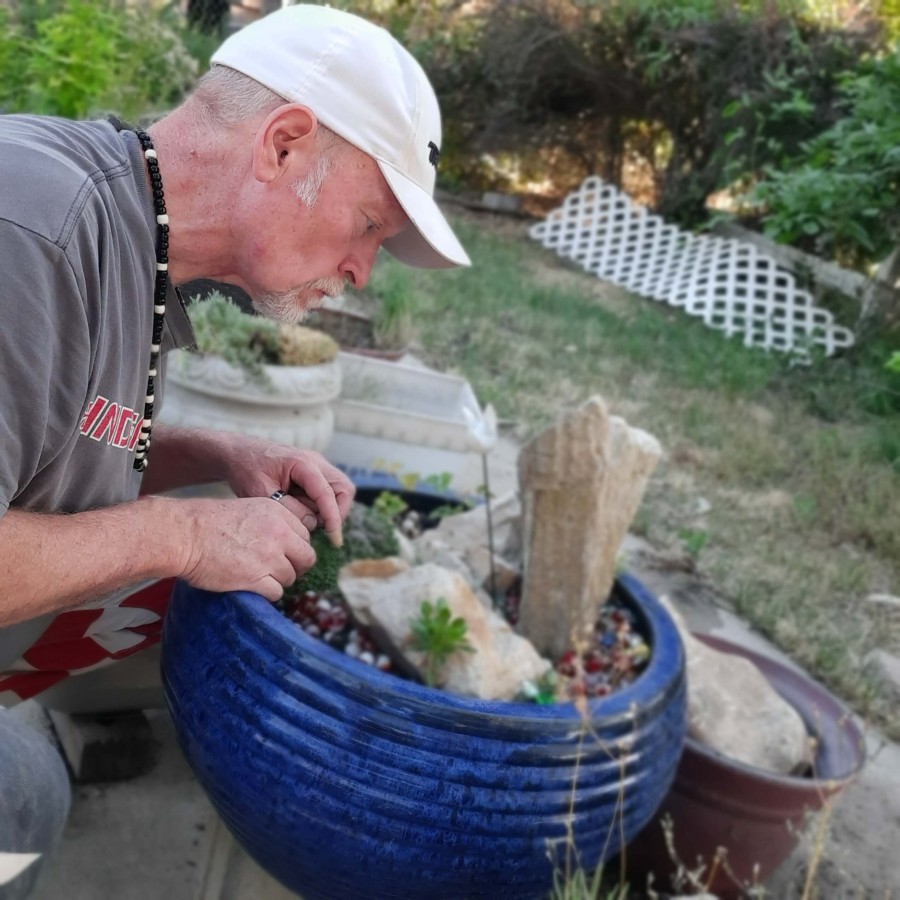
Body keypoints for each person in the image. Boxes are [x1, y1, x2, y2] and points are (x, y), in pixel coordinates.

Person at [0, 4, 470, 895]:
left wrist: (207, 451)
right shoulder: (30, 233)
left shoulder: (134, 240)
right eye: (369, 224)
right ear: (284, 144)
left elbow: (47, 429)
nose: (364, 271)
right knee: (20, 800)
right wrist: (188, 536)